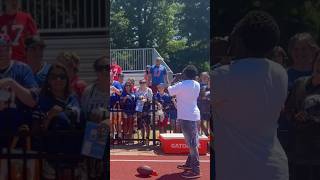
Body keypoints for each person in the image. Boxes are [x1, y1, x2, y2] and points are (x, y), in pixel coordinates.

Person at [213, 11, 289, 180]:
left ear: (238, 40)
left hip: (238, 169)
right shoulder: (280, 72)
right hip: (275, 168)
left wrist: (216, 55)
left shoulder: (221, 76)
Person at [36, 63, 81, 179]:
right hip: (51, 159)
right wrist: (49, 116)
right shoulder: (42, 100)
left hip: (73, 157)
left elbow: (79, 122)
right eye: (54, 77)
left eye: (62, 76)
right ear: (48, 80)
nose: (58, 80)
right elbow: (37, 131)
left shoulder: (73, 98)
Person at [284, 50, 320, 179]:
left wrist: (311, 119)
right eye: (319, 61)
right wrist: (294, 116)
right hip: (296, 154)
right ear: (314, 62)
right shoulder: (300, 83)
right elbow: (288, 109)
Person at [0, 33, 38, 140]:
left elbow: (33, 101)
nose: (1, 52)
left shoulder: (23, 69)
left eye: (4, 48)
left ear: (11, 49)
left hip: (18, 125)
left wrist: (11, 82)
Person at [167, 65, 201, 179]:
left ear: (185, 74)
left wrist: (174, 80)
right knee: (193, 142)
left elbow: (170, 91)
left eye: (183, 73)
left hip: (186, 116)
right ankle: (189, 165)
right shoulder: (197, 84)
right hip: (195, 115)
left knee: (192, 144)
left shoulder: (181, 85)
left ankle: (195, 170)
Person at [81, 56, 109, 179]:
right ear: (96, 71)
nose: (104, 71)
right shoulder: (89, 91)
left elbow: (121, 114)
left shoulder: (116, 90)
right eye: (100, 68)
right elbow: (83, 115)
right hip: (93, 139)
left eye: (107, 68)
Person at [135, 79, 153, 145]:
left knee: (148, 124)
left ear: (146, 83)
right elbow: (135, 97)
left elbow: (151, 99)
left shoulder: (149, 90)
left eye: (144, 83)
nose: (142, 84)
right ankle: (143, 139)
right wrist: (140, 98)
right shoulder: (137, 90)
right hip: (140, 109)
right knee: (141, 125)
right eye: (141, 83)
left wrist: (146, 100)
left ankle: (147, 138)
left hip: (147, 109)